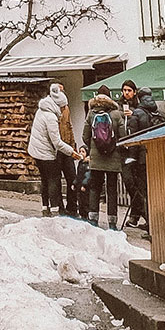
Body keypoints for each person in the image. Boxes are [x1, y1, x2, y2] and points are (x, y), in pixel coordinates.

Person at [27, 83, 80, 216]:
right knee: (53, 179)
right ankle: (56, 210)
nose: (63, 110)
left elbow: (69, 127)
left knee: (45, 179)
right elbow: (56, 141)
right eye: (63, 107)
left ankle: (46, 208)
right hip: (46, 152)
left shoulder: (42, 110)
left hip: (36, 150)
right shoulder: (51, 117)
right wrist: (72, 152)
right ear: (58, 105)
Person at [118, 79, 161, 231]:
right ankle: (138, 216)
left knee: (138, 186)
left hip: (134, 153)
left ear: (135, 92)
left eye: (129, 90)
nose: (126, 93)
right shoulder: (151, 109)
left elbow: (135, 135)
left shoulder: (138, 110)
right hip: (142, 153)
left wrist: (132, 156)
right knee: (136, 185)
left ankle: (145, 217)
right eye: (124, 90)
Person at [83, 92, 127, 227]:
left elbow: (85, 136)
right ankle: (112, 222)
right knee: (112, 189)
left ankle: (93, 219)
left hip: (96, 158)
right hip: (113, 157)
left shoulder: (91, 114)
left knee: (95, 187)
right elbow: (123, 136)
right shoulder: (116, 114)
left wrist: (93, 148)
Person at [48, 84, 83, 218]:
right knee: (56, 179)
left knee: (72, 178)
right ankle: (60, 207)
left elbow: (69, 126)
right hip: (56, 149)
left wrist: (73, 145)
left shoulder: (66, 108)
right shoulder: (50, 111)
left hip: (67, 147)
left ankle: (72, 207)